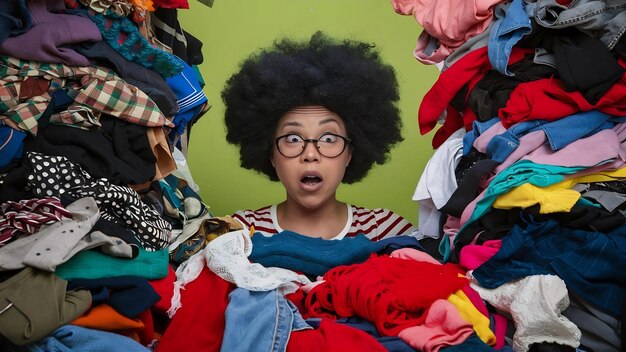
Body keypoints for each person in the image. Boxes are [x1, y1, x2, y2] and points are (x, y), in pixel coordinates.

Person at [222, 31, 417, 241]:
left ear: (350, 153)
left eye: (328, 139)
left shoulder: (387, 231)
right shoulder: (241, 233)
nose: (310, 154)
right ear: (271, 154)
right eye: (293, 139)